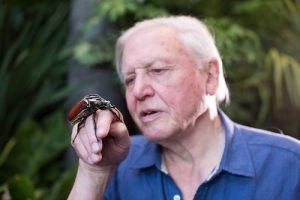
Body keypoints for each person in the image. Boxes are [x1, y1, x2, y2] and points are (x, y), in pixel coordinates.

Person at [67, 16, 300, 200]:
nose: (138, 91)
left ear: (210, 76)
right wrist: (94, 173)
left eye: (157, 70)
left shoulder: (289, 164)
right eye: (129, 80)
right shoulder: (115, 164)